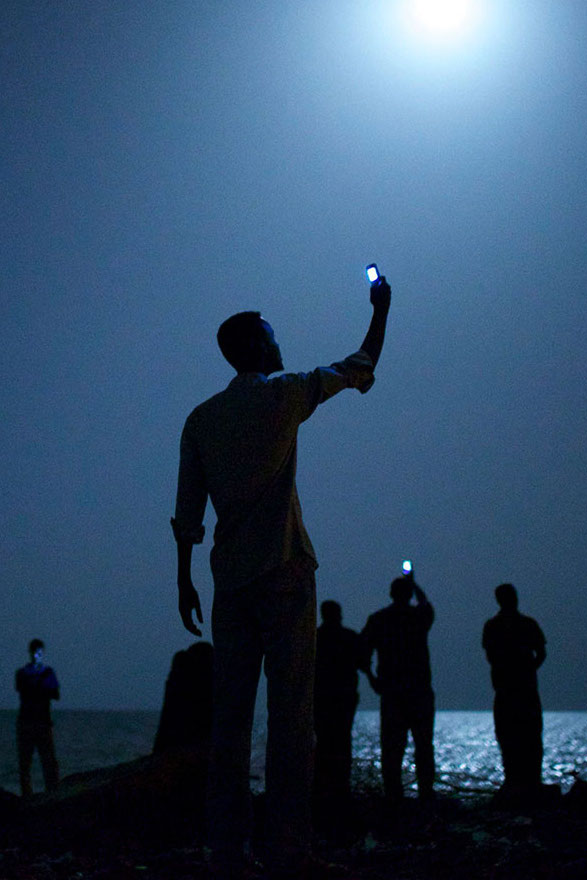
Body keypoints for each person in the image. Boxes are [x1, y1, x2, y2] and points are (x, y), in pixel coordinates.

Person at [170, 275, 391, 876]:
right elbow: (360, 364)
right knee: (293, 716)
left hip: (228, 583)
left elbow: (187, 516)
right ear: (258, 350)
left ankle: (226, 846)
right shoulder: (284, 395)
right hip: (285, 569)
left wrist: (185, 580)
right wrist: (382, 309)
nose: (278, 345)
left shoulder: (201, 420)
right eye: (271, 339)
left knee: (229, 720)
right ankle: (289, 846)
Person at [361, 572, 435, 800]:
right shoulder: (417, 617)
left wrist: (372, 678)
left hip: (393, 692)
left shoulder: (379, 619)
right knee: (423, 746)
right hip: (418, 691)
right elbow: (426, 604)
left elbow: (362, 652)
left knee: (392, 748)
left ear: (391, 594)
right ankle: (425, 794)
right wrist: (414, 583)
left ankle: (394, 796)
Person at [482, 583, 546, 799]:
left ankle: (523, 782)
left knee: (516, 737)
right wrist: (527, 669)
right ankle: (521, 782)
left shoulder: (494, 626)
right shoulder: (523, 624)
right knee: (520, 737)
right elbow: (541, 653)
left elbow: (490, 656)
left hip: (512, 690)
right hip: (517, 690)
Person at [314, 600, 361, 802]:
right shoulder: (348, 637)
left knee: (324, 742)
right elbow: (363, 662)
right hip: (342, 698)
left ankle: (324, 788)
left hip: (323, 698)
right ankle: (341, 788)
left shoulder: (314, 638)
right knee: (342, 742)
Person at [15, 638, 60, 796]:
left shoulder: (47, 673)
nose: (37, 655)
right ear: (30, 653)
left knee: (48, 761)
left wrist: (40, 687)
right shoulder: (22, 673)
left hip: (42, 722)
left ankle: (52, 792)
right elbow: (23, 689)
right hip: (28, 722)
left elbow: (55, 694)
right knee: (25, 762)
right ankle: (28, 794)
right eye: (35, 652)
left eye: (39, 653)